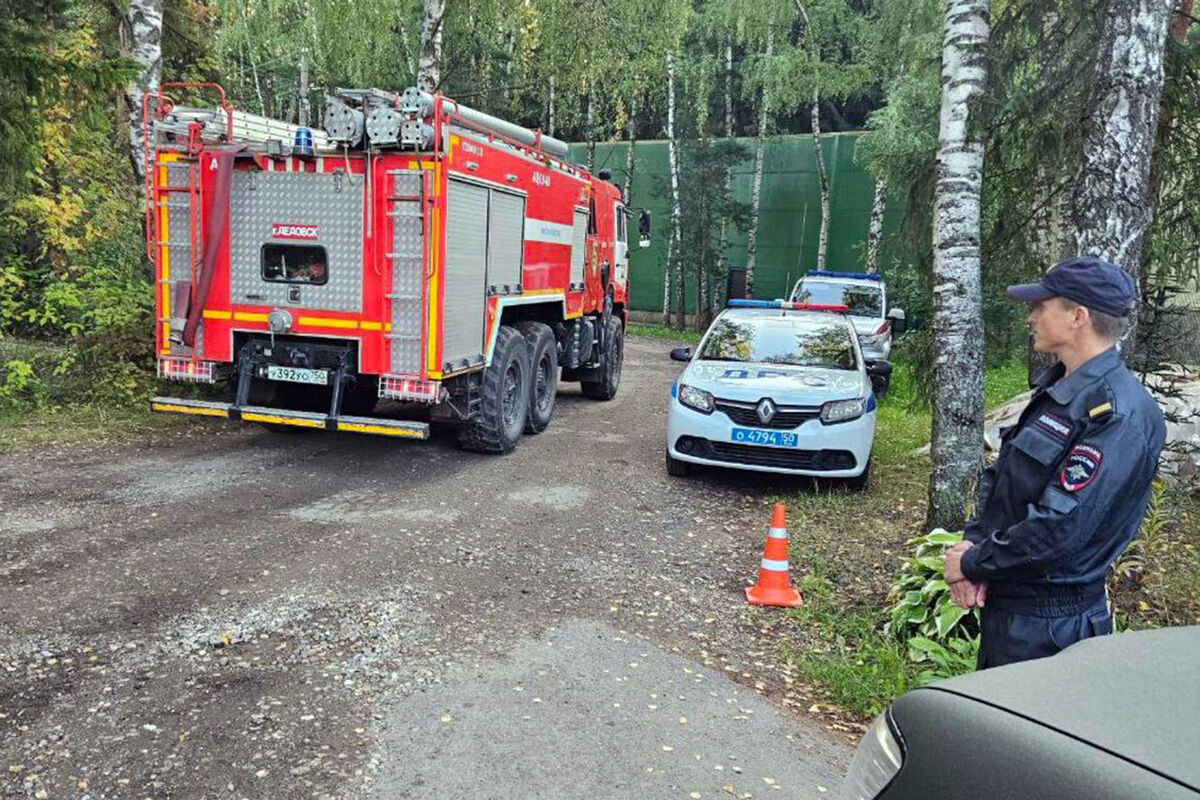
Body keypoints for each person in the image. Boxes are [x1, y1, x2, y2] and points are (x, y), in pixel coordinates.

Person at [943, 256, 1166, 670]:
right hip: (1013, 611)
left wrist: (972, 563)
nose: (1030, 316)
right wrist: (973, 546)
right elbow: (1004, 477)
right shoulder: (1060, 389)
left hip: (1051, 628)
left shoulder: (1117, 414)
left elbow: (1061, 529)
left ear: (1077, 316)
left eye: (1041, 306)